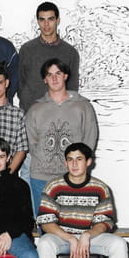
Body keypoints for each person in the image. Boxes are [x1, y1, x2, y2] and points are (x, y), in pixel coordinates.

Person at [25, 58, 98, 213]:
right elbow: (32, 142)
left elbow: (90, 138)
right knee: (45, 222)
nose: (54, 78)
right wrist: (45, 160)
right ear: (45, 79)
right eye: (49, 75)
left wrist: (78, 167)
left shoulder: (83, 106)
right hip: (41, 177)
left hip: (73, 176)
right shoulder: (35, 109)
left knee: (73, 221)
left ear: (65, 76)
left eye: (58, 73)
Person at [17, 1, 80, 112]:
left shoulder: (70, 52)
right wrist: (28, 107)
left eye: (50, 19)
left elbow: (72, 89)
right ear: (38, 21)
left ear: (58, 20)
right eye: (42, 20)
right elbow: (20, 83)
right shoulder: (26, 50)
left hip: (60, 114)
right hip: (32, 113)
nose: (46, 24)